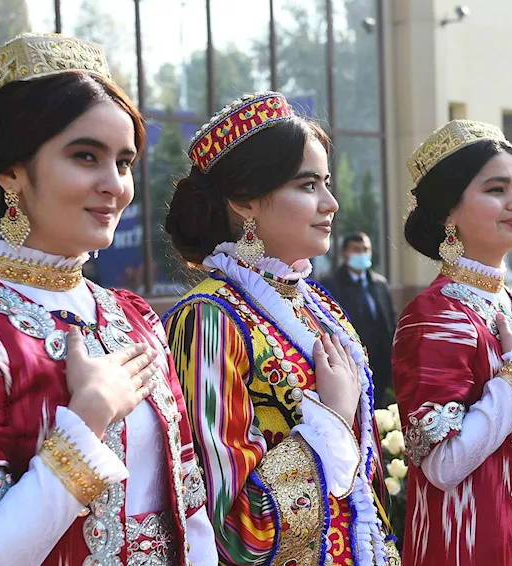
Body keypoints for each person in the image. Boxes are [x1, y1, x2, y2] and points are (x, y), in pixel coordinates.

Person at [0, 33, 216, 566]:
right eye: (85, 156)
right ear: (11, 170)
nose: (113, 184)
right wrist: (86, 420)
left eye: (125, 162)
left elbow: (190, 516)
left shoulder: (136, 323)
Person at [162, 91, 399, 566]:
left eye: (326, 182)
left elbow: (364, 492)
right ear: (245, 200)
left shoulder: (321, 307)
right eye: (308, 185)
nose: (331, 203)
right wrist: (328, 421)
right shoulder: (208, 319)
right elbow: (230, 525)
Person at [392, 120, 512, 565]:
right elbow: (442, 465)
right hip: (476, 544)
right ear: (447, 212)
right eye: (496, 189)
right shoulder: (433, 316)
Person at [320, 232, 398, 408]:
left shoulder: (379, 283)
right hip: (351, 363)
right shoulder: (331, 285)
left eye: (365, 249)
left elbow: (390, 321)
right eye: (356, 249)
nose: (362, 254)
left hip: (379, 363)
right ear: (345, 254)